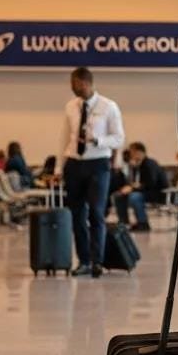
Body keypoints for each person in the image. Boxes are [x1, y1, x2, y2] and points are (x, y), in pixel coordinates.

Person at [56, 67, 126, 278]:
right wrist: (59, 167)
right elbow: (64, 138)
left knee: (96, 213)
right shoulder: (71, 106)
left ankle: (98, 261)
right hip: (75, 164)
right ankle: (84, 261)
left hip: (98, 163)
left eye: (75, 84)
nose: (72, 88)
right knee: (77, 215)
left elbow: (119, 138)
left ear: (86, 83)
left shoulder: (108, 106)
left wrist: (98, 140)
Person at [113, 141, 168, 231]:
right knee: (119, 196)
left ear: (139, 152)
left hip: (157, 193)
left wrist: (133, 188)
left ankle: (143, 223)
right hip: (146, 191)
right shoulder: (138, 165)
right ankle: (124, 223)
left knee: (135, 197)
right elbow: (134, 182)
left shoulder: (150, 164)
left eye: (132, 152)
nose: (130, 154)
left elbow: (151, 183)